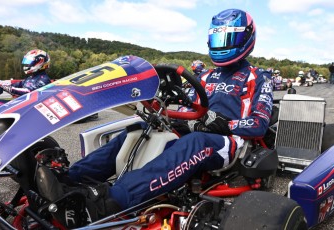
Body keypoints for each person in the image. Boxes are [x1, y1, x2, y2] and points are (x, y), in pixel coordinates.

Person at [36, 8, 273, 228]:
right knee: (139, 130)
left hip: (228, 142)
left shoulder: (257, 77)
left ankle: (109, 203)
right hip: (194, 130)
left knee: (196, 141)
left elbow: (259, 123)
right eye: (218, 40)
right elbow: (187, 105)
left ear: (246, 38)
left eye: (228, 40)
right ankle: (67, 180)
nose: (222, 46)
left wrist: (224, 123)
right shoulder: (205, 75)